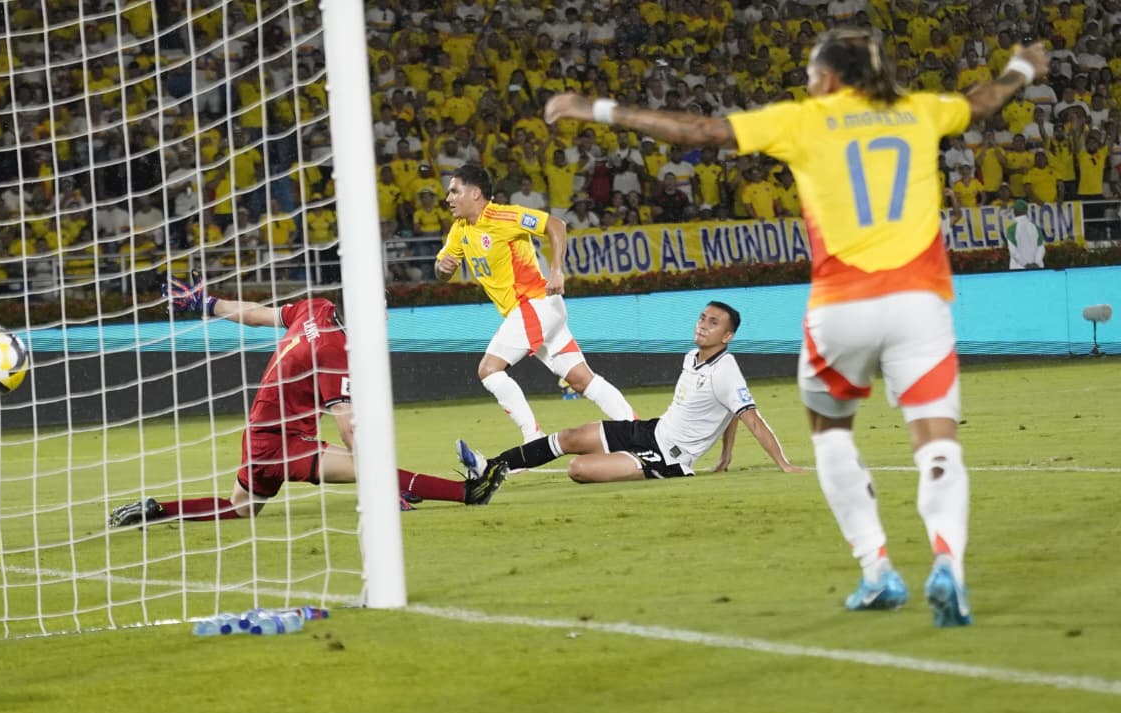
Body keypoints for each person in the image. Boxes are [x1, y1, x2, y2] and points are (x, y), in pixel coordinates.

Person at [545, 29, 1051, 627]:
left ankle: (877, 569)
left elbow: (700, 132)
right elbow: (987, 99)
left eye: (812, 74)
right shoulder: (919, 110)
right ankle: (948, 565)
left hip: (842, 307)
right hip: (920, 303)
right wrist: (1022, 65)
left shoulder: (806, 120)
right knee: (937, 442)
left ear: (831, 79)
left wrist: (594, 108)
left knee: (834, 435)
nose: (809, 84)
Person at [108, 277, 509, 528]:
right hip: (283, 443)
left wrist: (207, 304)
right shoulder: (336, 350)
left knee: (241, 509)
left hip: (264, 436)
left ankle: (157, 509)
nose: (385, 318)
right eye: (381, 310)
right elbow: (348, 425)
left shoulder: (318, 309)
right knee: (372, 468)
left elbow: (258, 315)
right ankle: (469, 493)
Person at [456, 302, 800, 484]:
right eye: (702, 318)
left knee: (579, 468)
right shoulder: (692, 357)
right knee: (571, 436)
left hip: (668, 457)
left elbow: (749, 417)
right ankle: (491, 468)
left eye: (713, 323)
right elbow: (729, 411)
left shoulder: (725, 369)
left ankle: (630, 469)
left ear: (727, 337)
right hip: (651, 431)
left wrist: (783, 464)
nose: (702, 325)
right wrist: (725, 457)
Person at [433, 163, 635, 442]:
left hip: (533, 304)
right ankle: (637, 428)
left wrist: (556, 270)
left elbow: (556, 224)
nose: (448, 198)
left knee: (489, 371)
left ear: (475, 193)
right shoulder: (460, 230)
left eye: (455, 191)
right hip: (542, 310)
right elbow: (441, 270)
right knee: (580, 379)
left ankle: (534, 437)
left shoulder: (505, 216)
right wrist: (443, 269)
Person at [1005, 200, 1046, 270]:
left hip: (1018, 269)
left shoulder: (1011, 230)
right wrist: (1036, 263)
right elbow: (1041, 248)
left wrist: (1026, 265)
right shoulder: (1036, 228)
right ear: (1026, 211)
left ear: (1014, 212)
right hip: (1037, 268)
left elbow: (1014, 252)